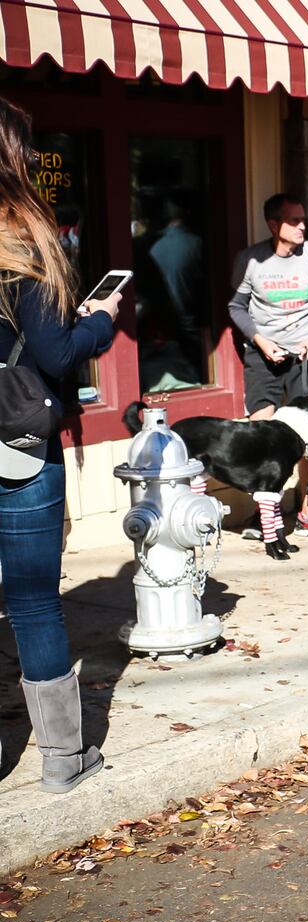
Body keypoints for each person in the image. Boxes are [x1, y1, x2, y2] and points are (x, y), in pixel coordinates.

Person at [0, 96, 121, 793]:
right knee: (34, 602)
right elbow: (53, 351)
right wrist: (99, 324)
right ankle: (64, 759)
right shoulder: (25, 240)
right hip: (18, 440)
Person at [228, 192, 308, 541]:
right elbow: (236, 306)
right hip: (263, 357)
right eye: (294, 220)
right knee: (260, 437)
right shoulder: (250, 261)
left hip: (304, 360)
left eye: (303, 219)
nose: (302, 226)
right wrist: (260, 340)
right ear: (273, 224)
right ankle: (263, 516)